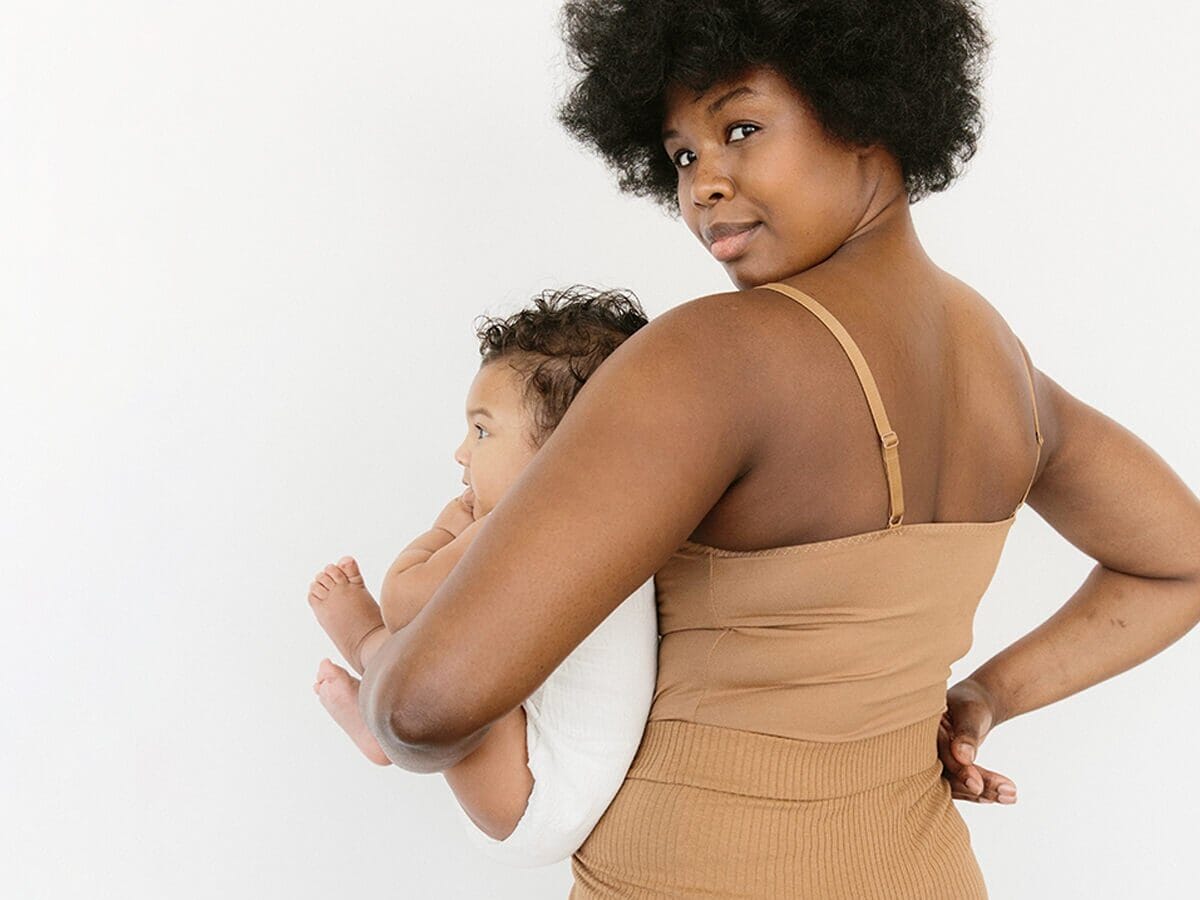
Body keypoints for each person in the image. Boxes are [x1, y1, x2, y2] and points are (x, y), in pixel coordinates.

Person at [358, 2, 1200, 897]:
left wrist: (375, 670)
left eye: (742, 127)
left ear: (865, 108)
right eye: (683, 154)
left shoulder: (710, 358)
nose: (703, 185)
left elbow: (423, 709)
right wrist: (981, 700)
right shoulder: (1006, 371)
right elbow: (1179, 563)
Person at [306, 285, 659, 867]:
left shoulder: (540, 519)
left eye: (483, 431)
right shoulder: (614, 517)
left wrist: (441, 539)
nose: (461, 454)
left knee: (442, 666)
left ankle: (373, 672)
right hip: (547, 788)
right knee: (467, 660)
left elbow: (407, 602)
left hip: (531, 792)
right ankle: (385, 729)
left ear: (563, 448)